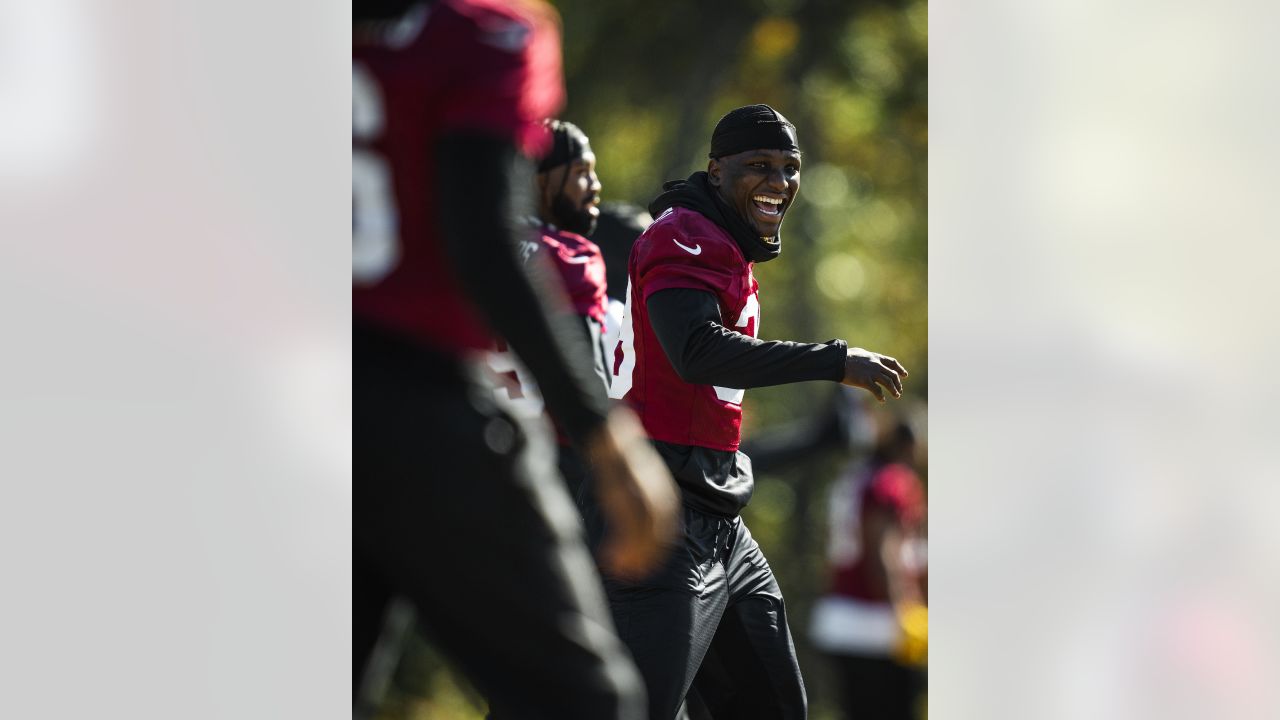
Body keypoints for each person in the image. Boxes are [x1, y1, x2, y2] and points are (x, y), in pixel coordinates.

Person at [352, 2, 678, 718]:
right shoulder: (485, 29)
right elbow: (483, 241)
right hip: (422, 406)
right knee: (586, 704)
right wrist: (607, 435)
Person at [601, 103, 909, 719]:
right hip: (666, 513)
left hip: (719, 515)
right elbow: (694, 350)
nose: (780, 182)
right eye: (760, 166)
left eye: (791, 168)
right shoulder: (683, 232)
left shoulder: (722, 240)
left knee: (772, 707)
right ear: (716, 171)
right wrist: (833, 359)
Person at [488, 119, 610, 502]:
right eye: (581, 172)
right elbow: (587, 373)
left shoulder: (475, 247)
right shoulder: (570, 257)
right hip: (556, 453)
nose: (595, 186)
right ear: (540, 180)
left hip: (475, 441)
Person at [809, 412, 928, 720]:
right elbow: (883, 552)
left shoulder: (853, 477)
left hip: (839, 615)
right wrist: (904, 612)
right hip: (876, 624)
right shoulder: (892, 481)